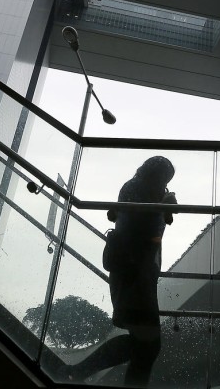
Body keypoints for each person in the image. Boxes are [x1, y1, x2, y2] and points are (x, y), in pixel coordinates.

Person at [59, 155, 177, 387]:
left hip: (135, 275)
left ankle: (77, 372)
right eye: (164, 177)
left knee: (144, 344)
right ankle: (77, 372)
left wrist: (163, 207)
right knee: (148, 345)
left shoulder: (138, 189)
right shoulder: (136, 190)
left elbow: (144, 229)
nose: (165, 183)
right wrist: (162, 207)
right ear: (156, 175)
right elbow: (137, 228)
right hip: (133, 276)